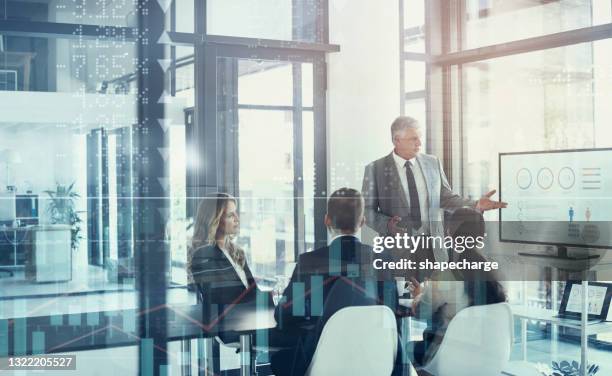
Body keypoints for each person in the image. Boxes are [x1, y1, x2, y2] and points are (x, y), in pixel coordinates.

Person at [270, 188, 402, 376]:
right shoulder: (382, 260)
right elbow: (392, 316)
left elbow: (284, 315)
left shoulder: (310, 261)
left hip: (320, 365)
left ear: (327, 220)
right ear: (363, 222)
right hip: (375, 362)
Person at [362, 115, 507, 278]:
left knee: (438, 298)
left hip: (434, 248)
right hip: (397, 250)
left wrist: (475, 205)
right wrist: (388, 225)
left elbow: (446, 197)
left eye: (419, 138)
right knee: (401, 299)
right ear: (397, 140)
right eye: (413, 139)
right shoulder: (375, 169)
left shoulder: (432, 163)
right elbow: (366, 211)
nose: (419, 143)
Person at [408, 208, 507, 369]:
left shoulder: (447, 276)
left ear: (450, 234)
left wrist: (419, 295)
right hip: (489, 359)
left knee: (404, 349)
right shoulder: (496, 275)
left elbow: (420, 312)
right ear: (482, 236)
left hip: (448, 358)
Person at [187, 193, 257, 305]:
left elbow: (254, 292)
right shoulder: (202, 256)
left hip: (247, 318)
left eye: (236, 213)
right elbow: (222, 298)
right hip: (227, 320)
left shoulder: (238, 252)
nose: (237, 219)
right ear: (214, 219)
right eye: (230, 215)